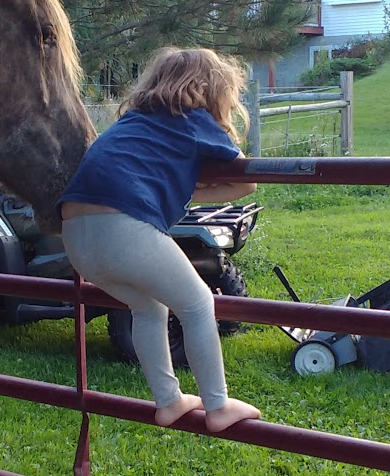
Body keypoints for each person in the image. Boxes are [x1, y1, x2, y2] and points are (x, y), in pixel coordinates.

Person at [60, 46, 262, 432]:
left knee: (148, 308)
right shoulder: (192, 118)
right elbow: (245, 180)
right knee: (198, 303)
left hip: (76, 236)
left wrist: (180, 183)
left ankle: (169, 401)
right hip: (122, 226)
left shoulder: (134, 122)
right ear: (210, 89)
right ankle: (218, 406)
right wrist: (198, 187)